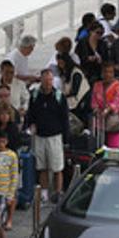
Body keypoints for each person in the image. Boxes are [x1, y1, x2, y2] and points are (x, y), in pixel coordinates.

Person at [25, 68, 69, 204]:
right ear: (41, 81)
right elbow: (30, 113)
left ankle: (58, 192)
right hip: (39, 136)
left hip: (55, 136)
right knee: (42, 166)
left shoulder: (59, 96)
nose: (48, 83)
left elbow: (65, 119)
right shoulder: (35, 95)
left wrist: (66, 138)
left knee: (57, 167)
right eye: (45, 80)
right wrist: (30, 125)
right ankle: (44, 193)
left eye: (50, 80)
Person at [91, 63, 119, 149]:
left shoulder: (118, 85)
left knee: (113, 146)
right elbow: (94, 101)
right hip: (99, 121)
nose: (108, 74)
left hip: (113, 120)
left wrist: (107, 110)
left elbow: (117, 101)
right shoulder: (97, 85)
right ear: (102, 73)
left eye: (110, 72)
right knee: (99, 146)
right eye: (105, 72)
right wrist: (96, 109)